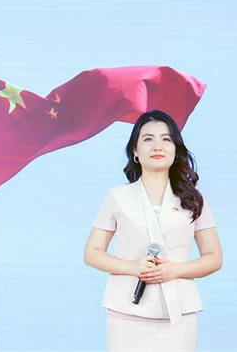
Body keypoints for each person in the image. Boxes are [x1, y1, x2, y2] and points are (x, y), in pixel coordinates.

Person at [84, 110, 222, 351]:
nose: (158, 146)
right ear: (135, 151)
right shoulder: (118, 196)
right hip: (126, 311)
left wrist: (175, 270)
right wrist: (132, 266)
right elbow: (92, 253)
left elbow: (214, 257)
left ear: (175, 149)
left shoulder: (193, 199)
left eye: (166, 139)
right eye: (148, 139)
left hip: (178, 312)